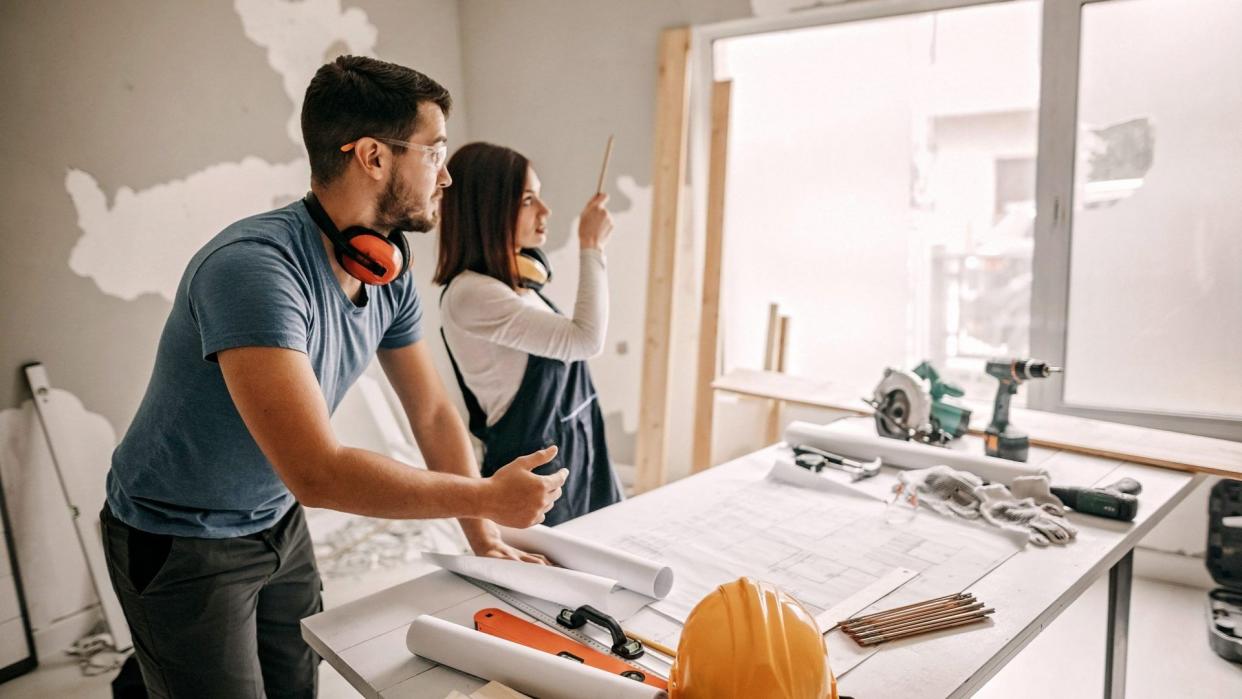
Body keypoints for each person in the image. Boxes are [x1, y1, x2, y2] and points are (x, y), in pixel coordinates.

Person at [100, 56, 566, 699]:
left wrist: (483, 535)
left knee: (297, 683)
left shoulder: (387, 268)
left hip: (276, 522)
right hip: (180, 538)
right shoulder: (254, 273)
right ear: (374, 157)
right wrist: (484, 496)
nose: (447, 175)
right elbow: (318, 472)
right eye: (434, 152)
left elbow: (430, 413)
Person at [434, 142, 622, 527]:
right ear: (489, 208)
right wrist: (591, 247)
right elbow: (585, 339)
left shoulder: (518, 286)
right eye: (527, 200)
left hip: (580, 449)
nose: (545, 211)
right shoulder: (472, 295)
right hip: (534, 471)